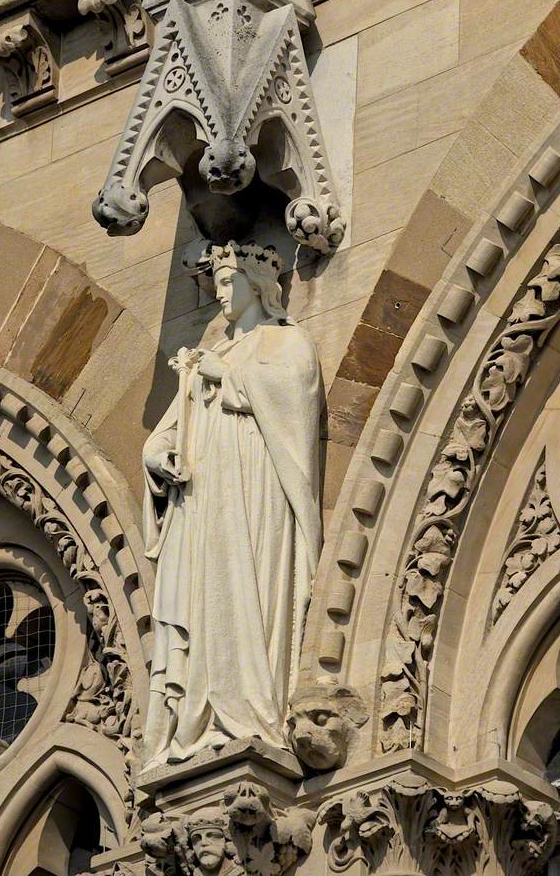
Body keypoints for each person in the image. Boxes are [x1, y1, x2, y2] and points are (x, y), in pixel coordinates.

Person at [142, 241, 322, 768]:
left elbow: (295, 397)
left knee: (248, 586)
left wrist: (230, 380)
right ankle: (204, 712)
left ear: (257, 285)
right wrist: (157, 456)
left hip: (254, 484)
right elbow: (168, 430)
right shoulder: (208, 356)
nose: (221, 294)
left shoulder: (284, 341)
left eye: (228, 282)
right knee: (211, 593)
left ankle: (248, 702)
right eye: (218, 284)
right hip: (206, 495)